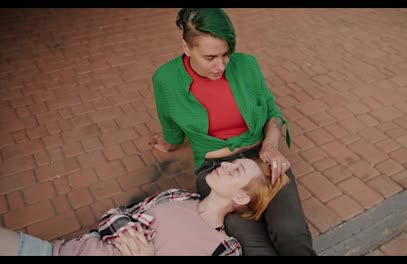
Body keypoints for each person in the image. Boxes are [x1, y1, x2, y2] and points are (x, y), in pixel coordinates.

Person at [150, 8, 316, 256]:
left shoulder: (247, 65)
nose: (220, 65)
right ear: (187, 48)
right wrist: (170, 143)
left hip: (262, 158)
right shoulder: (166, 79)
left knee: (291, 233)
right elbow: (169, 120)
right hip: (215, 169)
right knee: (251, 245)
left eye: (226, 54)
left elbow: (273, 112)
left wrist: (270, 146)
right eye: (210, 57)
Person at [0, 158, 288, 256]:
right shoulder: (178, 196)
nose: (225, 165)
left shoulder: (226, 249)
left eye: (236, 171)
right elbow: (115, 214)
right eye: (230, 162)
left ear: (240, 198)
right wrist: (126, 229)